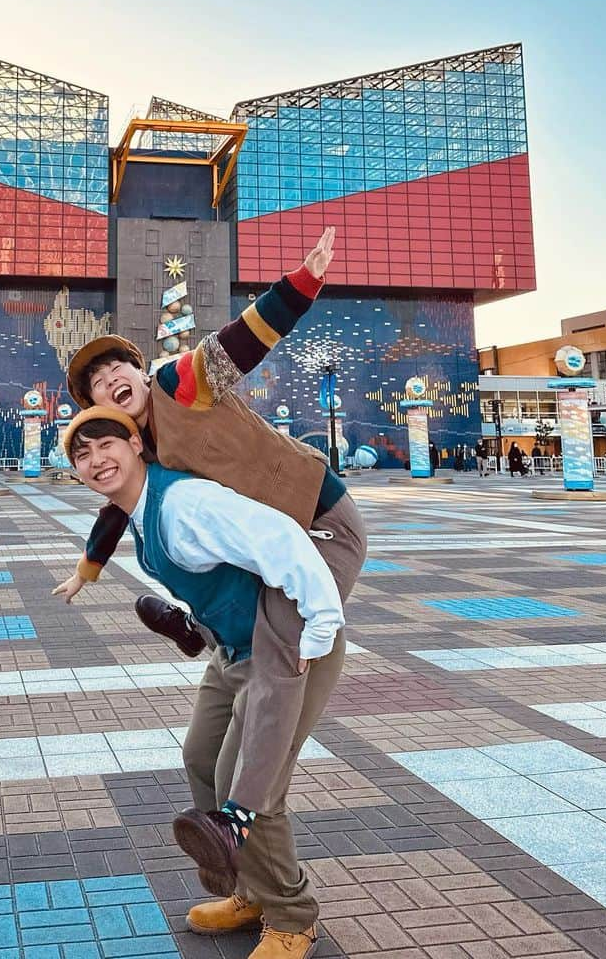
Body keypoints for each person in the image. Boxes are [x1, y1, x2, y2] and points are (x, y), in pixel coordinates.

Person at [64, 407, 365, 959]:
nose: (95, 461)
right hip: (232, 649)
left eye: (105, 445)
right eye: (81, 455)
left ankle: (292, 917)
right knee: (202, 759)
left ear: (136, 444)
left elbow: (280, 540)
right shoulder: (136, 510)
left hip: (288, 646)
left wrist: (320, 626)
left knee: (250, 786)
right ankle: (250, 890)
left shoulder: (184, 503)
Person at [52, 228, 366, 663]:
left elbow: (238, 343)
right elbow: (116, 511)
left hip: (319, 512)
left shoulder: (177, 384)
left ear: (139, 371)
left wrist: (301, 285)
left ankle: (214, 647)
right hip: (269, 531)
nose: (110, 382)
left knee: (283, 645)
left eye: (116, 369)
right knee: (215, 579)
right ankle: (201, 628)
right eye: (99, 386)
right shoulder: (136, 447)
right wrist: (87, 570)